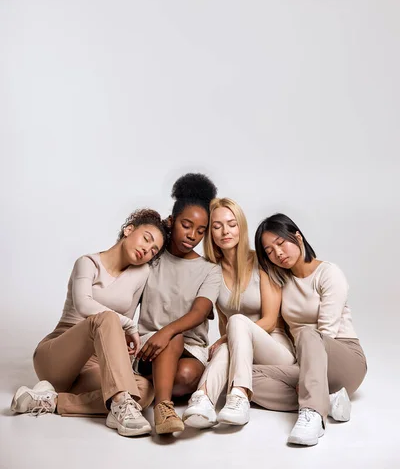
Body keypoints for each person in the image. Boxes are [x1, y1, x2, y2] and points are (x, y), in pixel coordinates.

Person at [11, 209, 168, 437]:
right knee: (106, 318)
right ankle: (119, 404)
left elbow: (124, 324)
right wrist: (127, 325)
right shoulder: (87, 262)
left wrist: (124, 349)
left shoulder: (141, 273)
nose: (147, 250)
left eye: (154, 250)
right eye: (146, 239)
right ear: (129, 230)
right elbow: (84, 305)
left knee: (143, 391)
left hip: (95, 363)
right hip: (57, 356)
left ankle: (50, 401)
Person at [251, 213, 367, 446]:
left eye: (280, 243)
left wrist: (304, 372)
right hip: (307, 367)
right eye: (269, 252)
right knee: (245, 376)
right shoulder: (281, 281)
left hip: (344, 360)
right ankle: (328, 400)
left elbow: (326, 333)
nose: (278, 254)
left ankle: (313, 413)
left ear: (298, 237)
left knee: (307, 333)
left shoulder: (328, 273)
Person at [183, 198, 295, 429]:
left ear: (241, 227)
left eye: (231, 224)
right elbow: (223, 322)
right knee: (225, 345)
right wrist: (225, 341)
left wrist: (226, 338)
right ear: (210, 233)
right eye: (217, 226)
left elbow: (271, 320)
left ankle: (239, 397)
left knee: (232, 329)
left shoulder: (261, 261)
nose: (225, 231)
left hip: (275, 348)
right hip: (242, 352)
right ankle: (203, 400)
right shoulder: (212, 271)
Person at [135, 173, 221, 435]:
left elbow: (200, 311)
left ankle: (141, 390)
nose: (192, 235)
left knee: (183, 369)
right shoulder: (152, 258)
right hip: (148, 347)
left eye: (200, 231)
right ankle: (164, 407)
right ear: (171, 221)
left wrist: (167, 331)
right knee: (171, 344)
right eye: (186, 225)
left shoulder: (209, 270)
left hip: (189, 349)